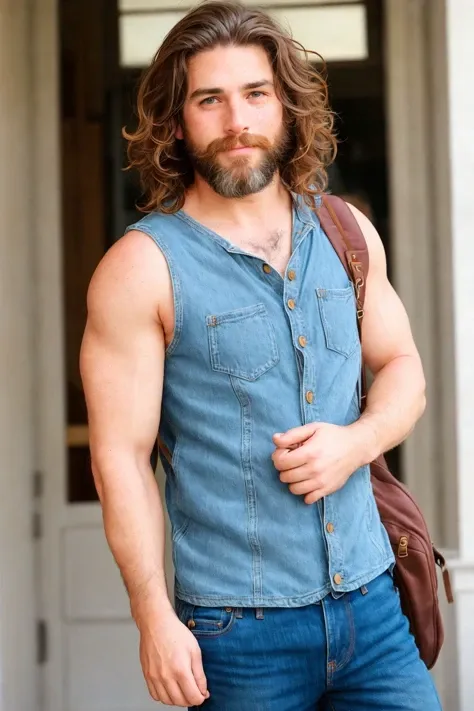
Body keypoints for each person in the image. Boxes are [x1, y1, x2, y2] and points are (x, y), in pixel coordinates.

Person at [80, 2, 442, 709]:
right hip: (237, 634)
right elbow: (119, 457)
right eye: (209, 99)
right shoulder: (142, 268)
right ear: (178, 122)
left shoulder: (346, 232)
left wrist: (354, 442)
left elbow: (404, 369)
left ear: (286, 108)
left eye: (255, 94)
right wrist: (153, 614)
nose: (236, 119)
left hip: (373, 610)